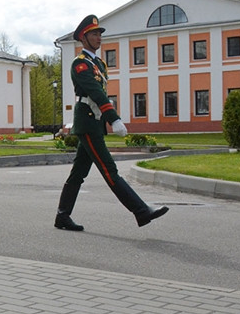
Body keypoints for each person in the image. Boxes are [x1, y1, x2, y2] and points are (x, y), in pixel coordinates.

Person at [55, 15, 169, 230]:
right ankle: (141, 211)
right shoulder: (80, 64)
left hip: (95, 121)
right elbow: (95, 92)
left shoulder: (98, 63)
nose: (99, 38)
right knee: (109, 170)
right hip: (87, 121)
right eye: (94, 34)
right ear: (84, 38)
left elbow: (101, 91)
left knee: (78, 173)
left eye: (99, 34)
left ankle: (62, 216)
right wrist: (113, 118)